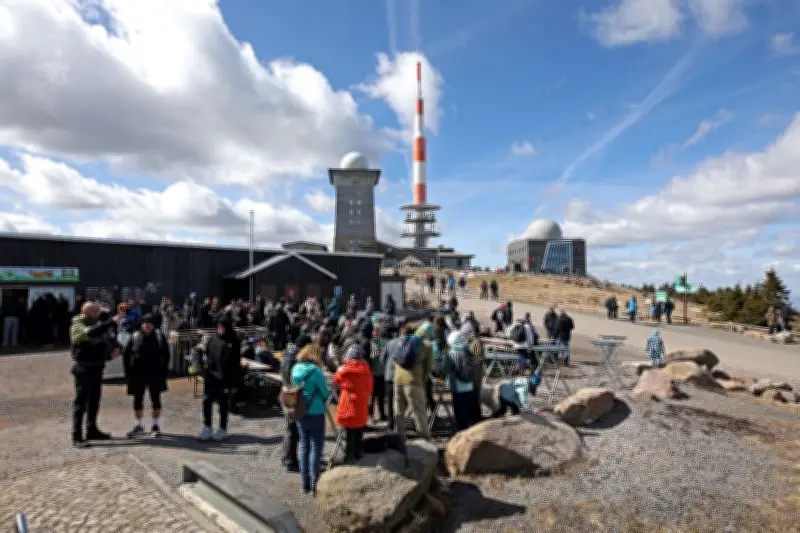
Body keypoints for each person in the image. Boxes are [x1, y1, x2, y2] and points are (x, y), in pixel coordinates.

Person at [69, 302, 122, 448]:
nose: (100, 312)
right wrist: (110, 322)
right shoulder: (77, 324)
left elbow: (106, 341)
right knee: (80, 403)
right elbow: (91, 333)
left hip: (97, 367)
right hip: (83, 369)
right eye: (97, 311)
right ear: (91, 313)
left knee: (94, 401)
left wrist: (114, 351)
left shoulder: (98, 323)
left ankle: (92, 430)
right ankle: (77, 436)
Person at [291, 341, 330, 494]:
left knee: (303, 446)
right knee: (315, 448)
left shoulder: (295, 369)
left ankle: (304, 483)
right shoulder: (317, 372)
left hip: (300, 412)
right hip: (316, 412)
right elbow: (325, 393)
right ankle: (315, 483)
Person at [123, 314, 171, 438]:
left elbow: (166, 355)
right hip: (137, 375)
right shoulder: (134, 336)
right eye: (145, 323)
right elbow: (126, 354)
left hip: (155, 374)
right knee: (137, 400)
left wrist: (164, 372)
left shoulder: (160, 336)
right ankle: (139, 425)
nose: (147, 325)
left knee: (156, 400)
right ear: (141, 324)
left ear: (154, 325)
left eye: (150, 323)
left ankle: (155, 426)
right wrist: (127, 372)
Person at [198, 318, 242, 441]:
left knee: (223, 404)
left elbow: (236, 362)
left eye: (223, 327)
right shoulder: (213, 338)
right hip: (211, 376)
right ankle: (207, 427)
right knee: (207, 401)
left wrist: (232, 379)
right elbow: (205, 353)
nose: (220, 329)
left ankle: (222, 429)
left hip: (225, 379)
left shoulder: (234, 341)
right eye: (219, 326)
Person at [334, 341, 373, 463]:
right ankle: (358, 453)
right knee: (359, 431)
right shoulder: (367, 371)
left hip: (349, 406)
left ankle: (349, 457)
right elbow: (370, 388)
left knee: (349, 434)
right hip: (361, 406)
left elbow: (337, 380)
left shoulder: (344, 371)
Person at [393, 324, 434, 441]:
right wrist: (422, 381)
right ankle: (425, 439)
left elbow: (395, 361)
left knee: (399, 410)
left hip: (398, 380)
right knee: (419, 411)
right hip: (414, 382)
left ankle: (399, 437)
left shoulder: (402, 341)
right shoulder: (426, 345)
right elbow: (429, 367)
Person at [280, 335, 310, 471]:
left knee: (291, 429)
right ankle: (289, 460)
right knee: (292, 430)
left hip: (288, 395)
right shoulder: (293, 359)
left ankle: (287, 456)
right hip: (291, 397)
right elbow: (292, 381)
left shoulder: (289, 355)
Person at [445, 330, 476, 431]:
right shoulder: (467, 349)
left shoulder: (451, 353)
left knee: (460, 413)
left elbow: (447, 369)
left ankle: (462, 433)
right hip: (469, 385)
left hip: (458, 387)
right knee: (470, 411)